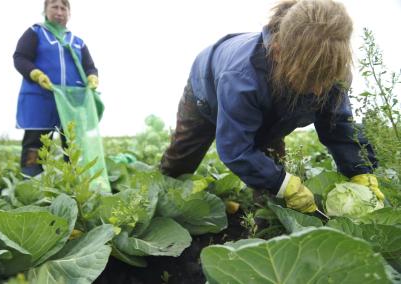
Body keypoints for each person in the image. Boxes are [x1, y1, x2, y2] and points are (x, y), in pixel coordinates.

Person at [160, 0, 385, 213]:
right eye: (310, 79)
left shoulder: (329, 69)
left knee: (272, 174)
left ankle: (265, 221)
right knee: (184, 154)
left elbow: (338, 126)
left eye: (324, 80)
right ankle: (158, 199)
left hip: (273, 102)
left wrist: (360, 170)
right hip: (207, 89)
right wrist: (282, 182)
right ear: (278, 53)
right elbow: (235, 148)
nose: (318, 90)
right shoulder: (242, 78)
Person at [13, 0, 99, 177]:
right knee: (35, 142)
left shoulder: (77, 42)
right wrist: (36, 74)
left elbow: (90, 67)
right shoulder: (35, 32)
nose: (59, 12)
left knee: (73, 144)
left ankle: (75, 179)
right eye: (54, 7)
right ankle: (30, 178)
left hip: (71, 102)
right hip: (40, 97)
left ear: (69, 13)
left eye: (63, 8)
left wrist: (92, 77)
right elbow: (20, 57)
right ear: (45, 11)